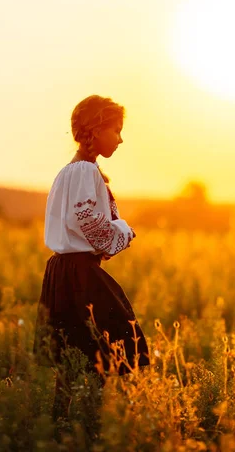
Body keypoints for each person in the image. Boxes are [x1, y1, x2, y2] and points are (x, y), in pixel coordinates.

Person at [33, 94, 149, 423]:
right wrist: (122, 233)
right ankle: (98, 423)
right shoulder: (84, 171)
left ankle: (67, 423)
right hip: (79, 274)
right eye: (116, 130)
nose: (121, 138)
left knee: (76, 354)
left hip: (62, 272)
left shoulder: (67, 171)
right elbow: (89, 222)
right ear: (96, 130)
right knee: (116, 346)